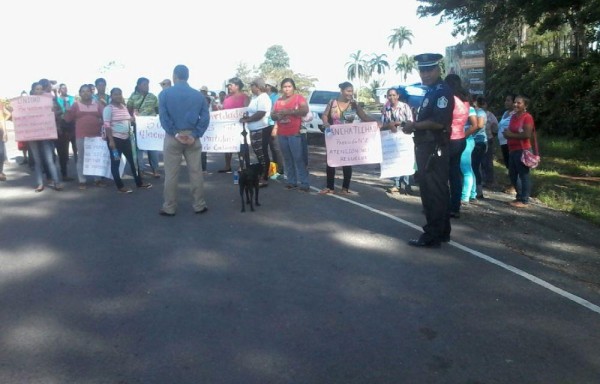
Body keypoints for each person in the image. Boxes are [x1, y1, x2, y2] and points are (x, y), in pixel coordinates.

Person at [401, 53, 454, 248]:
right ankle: (441, 232)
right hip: (426, 146)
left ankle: (432, 235)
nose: (425, 74)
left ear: (438, 69)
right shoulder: (431, 91)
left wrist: (414, 126)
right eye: (422, 70)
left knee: (433, 192)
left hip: (434, 147)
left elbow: (439, 123)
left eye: (429, 69)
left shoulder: (442, 91)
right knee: (436, 191)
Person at [158, 64, 210, 216]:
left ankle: (169, 207)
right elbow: (205, 118)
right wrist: (195, 135)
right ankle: (199, 205)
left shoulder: (165, 94)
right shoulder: (199, 95)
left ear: (174, 76)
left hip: (173, 137)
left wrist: (174, 133)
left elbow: (164, 117)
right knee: (196, 172)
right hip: (192, 137)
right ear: (188, 76)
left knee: (171, 174)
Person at [319, 81, 373, 195]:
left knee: (347, 162)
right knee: (331, 161)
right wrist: (325, 122)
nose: (350, 93)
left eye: (352, 91)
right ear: (342, 91)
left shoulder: (354, 104)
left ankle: (345, 188)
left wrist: (375, 123)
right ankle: (330, 187)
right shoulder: (332, 102)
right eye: (348, 91)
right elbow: (324, 115)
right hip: (333, 136)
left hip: (348, 138)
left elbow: (364, 116)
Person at [103, 87, 152, 193]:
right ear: (111, 96)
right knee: (116, 162)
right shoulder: (108, 108)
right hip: (115, 141)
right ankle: (120, 187)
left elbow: (128, 120)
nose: (118, 96)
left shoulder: (123, 107)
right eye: (115, 94)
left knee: (134, 161)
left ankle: (139, 183)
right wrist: (111, 141)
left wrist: (134, 118)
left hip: (127, 140)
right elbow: (107, 126)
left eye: (119, 94)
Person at [63, 84, 106, 190]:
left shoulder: (97, 104)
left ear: (91, 93)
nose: (85, 93)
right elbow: (67, 119)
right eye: (83, 91)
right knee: (81, 158)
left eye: (87, 91)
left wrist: (105, 106)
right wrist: (67, 110)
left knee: (95, 159)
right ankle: (82, 181)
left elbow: (105, 116)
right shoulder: (75, 105)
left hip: (96, 136)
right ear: (80, 93)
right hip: (81, 136)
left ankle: (97, 179)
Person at [270, 78, 310, 192]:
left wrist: (289, 112)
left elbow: (305, 110)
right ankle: (291, 182)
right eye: (284, 87)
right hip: (282, 133)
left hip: (295, 133)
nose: (287, 89)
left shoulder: (299, 98)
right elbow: (272, 115)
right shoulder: (278, 101)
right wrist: (276, 116)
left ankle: (304, 183)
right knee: (287, 158)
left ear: (294, 87)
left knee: (298, 158)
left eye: (289, 86)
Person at [28, 82, 63, 192]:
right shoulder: (26, 103)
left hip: (45, 134)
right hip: (32, 135)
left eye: (40, 89)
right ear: (33, 91)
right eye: (36, 89)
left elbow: (59, 110)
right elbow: (19, 114)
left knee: (49, 160)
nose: (39, 91)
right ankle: (40, 184)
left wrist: (54, 110)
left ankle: (56, 182)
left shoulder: (48, 101)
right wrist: (12, 110)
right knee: (37, 161)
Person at [444, 74, 471, 218]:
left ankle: (445, 206)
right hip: (461, 138)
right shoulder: (465, 99)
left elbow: (444, 119)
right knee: (455, 175)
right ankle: (455, 207)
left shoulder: (450, 99)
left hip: (449, 139)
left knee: (443, 174)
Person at [380, 87, 414, 194]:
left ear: (398, 96)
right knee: (395, 160)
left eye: (394, 95)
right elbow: (383, 124)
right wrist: (389, 126)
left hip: (404, 137)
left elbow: (410, 122)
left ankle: (407, 185)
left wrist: (398, 124)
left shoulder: (404, 106)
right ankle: (396, 185)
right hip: (391, 138)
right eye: (389, 95)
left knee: (405, 160)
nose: (392, 97)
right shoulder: (386, 108)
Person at [503, 95, 535, 208]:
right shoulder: (513, 117)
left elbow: (527, 134)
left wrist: (510, 135)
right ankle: (519, 196)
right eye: (515, 102)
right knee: (512, 175)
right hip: (512, 149)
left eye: (519, 103)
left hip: (523, 150)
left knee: (523, 175)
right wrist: (506, 134)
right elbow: (511, 131)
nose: (515, 104)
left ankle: (525, 200)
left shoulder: (527, 117)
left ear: (525, 105)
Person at [239, 78, 272, 186]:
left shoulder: (263, 98)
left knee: (262, 153)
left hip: (261, 128)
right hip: (254, 129)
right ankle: (261, 174)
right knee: (258, 152)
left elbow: (260, 113)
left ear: (257, 86)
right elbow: (251, 111)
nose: (251, 88)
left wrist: (248, 119)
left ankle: (264, 177)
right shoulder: (255, 98)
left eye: (252, 86)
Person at [127, 77, 160, 179]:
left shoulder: (153, 97)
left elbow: (158, 110)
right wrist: (132, 116)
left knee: (153, 149)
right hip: (138, 127)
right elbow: (128, 111)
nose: (147, 86)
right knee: (139, 149)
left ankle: (155, 169)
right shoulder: (132, 97)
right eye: (145, 84)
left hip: (151, 128)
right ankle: (140, 170)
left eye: (148, 84)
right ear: (139, 85)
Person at [218, 77, 249, 173]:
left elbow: (247, 111)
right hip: (227, 125)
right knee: (227, 145)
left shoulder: (245, 97)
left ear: (237, 86)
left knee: (241, 146)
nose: (229, 87)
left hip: (240, 126)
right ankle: (227, 165)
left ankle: (242, 166)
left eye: (230, 85)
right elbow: (224, 110)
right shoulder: (227, 97)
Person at [55, 83, 76, 181]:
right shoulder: (56, 99)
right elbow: (55, 112)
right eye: (62, 88)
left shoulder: (72, 98)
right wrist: (63, 111)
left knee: (76, 147)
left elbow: (75, 109)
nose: (65, 89)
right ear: (59, 90)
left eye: (66, 87)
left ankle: (79, 165)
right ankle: (64, 173)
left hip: (73, 126)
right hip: (61, 127)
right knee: (63, 151)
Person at [264, 79, 284, 178]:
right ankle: (273, 170)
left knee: (276, 148)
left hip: (274, 124)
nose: (264, 87)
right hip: (266, 124)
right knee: (271, 148)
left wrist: (275, 127)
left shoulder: (276, 97)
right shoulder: (266, 97)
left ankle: (280, 170)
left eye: (266, 85)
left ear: (270, 86)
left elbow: (277, 112)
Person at [497, 94, 516, 193]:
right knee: (508, 164)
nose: (506, 102)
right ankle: (512, 183)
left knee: (512, 165)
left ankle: (515, 186)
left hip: (510, 142)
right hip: (503, 143)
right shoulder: (505, 113)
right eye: (506, 100)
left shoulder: (515, 114)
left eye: (508, 100)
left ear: (514, 102)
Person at [471, 96, 488, 199]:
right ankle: (474, 190)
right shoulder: (475, 112)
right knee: (473, 166)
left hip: (479, 142)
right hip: (475, 141)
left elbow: (480, 125)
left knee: (475, 166)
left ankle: (478, 191)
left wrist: (468, 132)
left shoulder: (480, 112)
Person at [480, 97, 498, 187]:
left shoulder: (490, 115)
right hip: (478, 140)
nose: (482, 106)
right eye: (480, 104)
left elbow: (495, 127)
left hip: (488, 139)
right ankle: (481, 179)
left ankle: (490, 181)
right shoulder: (475, 113)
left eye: (484, 104)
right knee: (479, 161)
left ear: (487, 105)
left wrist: (491, 136)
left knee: (488, 161)